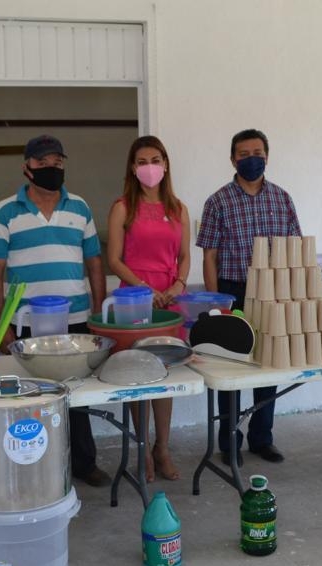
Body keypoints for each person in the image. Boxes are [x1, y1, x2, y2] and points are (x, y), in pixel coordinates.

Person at [0, 134, 109, 486]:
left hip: (76, 320)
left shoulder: (80, 208)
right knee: (31, 396)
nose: (51, 168)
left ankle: (84, 463)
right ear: (26, 168)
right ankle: (38, 466)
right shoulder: (5, 211)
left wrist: (97, 316)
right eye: (42, 163)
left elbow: (94, 263)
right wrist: (3, 326)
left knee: (77, 395)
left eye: (57, 162)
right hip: (28, 322)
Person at [196, 129, 301, 466]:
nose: (251, 159)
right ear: (232, 159)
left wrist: (290, 294)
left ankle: (261, 438)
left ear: (267, 157)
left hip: (272, 291)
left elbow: (294, 249)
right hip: (232, 291)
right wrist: (216, 302)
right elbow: (209, 256)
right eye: (243, 154)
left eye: (257, 153)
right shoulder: (218, 201)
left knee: (267, 366)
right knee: (231, 368)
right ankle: (229, 442)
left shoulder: (282, 199)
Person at [106, 135, 191, 481]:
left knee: (165, 374)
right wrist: (145, 288)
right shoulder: (123, 207)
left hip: (170, 299)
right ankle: (141, 448)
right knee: (137, 373)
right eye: (142, 162)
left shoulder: (178, 208)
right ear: (132, 167)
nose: (149, 167)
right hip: (134, 299)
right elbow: (114, 259)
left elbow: (184, 256)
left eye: (155, 160)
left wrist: (178, 285)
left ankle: (163, 448)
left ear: (166, 164)